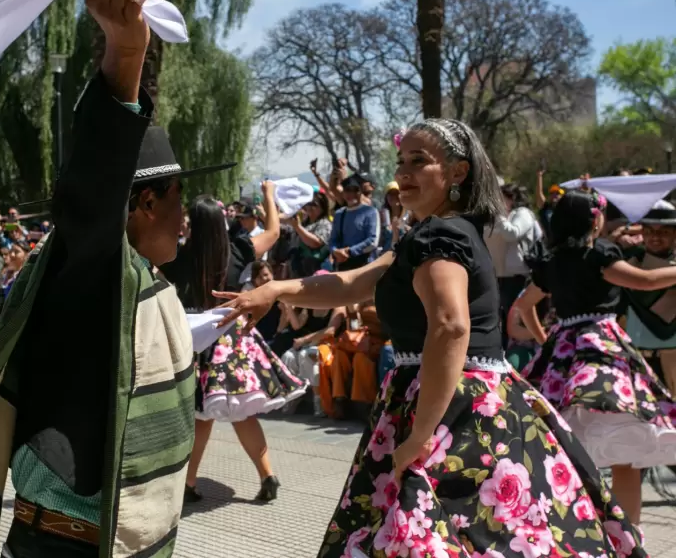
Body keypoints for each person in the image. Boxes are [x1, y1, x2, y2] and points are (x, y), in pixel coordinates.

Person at [216, 119, 646, 557]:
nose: (403, 173)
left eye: (419, 162)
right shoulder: (431, 236)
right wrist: (274, 289)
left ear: (458, 172)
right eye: (402, 161)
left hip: (452, 412)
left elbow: (450, 326)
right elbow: (349, 284)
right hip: (456, 401)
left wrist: (422, 435)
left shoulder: (441, 236)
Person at [0, 0, 229, 557]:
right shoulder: (88, 272)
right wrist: (127, 53)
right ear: (139, 203)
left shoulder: (141, 285)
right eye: (177, 198)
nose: (187, 217)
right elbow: (91, 194)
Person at [517, 190, 676, 529]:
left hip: (563, 355)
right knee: (627, 456)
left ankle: (577, 535)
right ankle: (628, 539)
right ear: (594, 219)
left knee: (565, 451)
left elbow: (523, 306)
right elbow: (645, 281)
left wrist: (546, 339)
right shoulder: (597, 254)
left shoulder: (552, 261)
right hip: (601, 351)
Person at [160, 194, 307, 505]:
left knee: (201, 416)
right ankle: (268, 474)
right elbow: (274, 232)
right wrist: (268, 194)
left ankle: (187, 482)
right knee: (242, 413)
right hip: (233, 343)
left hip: (195, 342)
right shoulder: (239, 249)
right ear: (222, 221)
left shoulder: (176, 257)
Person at [621, 200, 676, 395]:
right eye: (650, 231)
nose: (655, 237)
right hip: (638, 359)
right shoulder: (628, 265)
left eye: (663, 232)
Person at [484, 183, 542, 345]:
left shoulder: (522, 214)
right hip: (501, 277)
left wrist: (498, 215)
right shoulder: (505, 216)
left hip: (517, 277)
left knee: (513, 319)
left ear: (512, 198)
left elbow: (512, 233)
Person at [329, 174, 379, 272]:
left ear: (361, 192)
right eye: (348, 190)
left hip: (364, 266)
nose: (351, 194)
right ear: (343, 193)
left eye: (355, 190)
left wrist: (350, 251)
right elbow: (333, 239)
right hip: (343, 266)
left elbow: (373, 241)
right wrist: (335, 251)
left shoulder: (370, 212)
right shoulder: (339, 214)